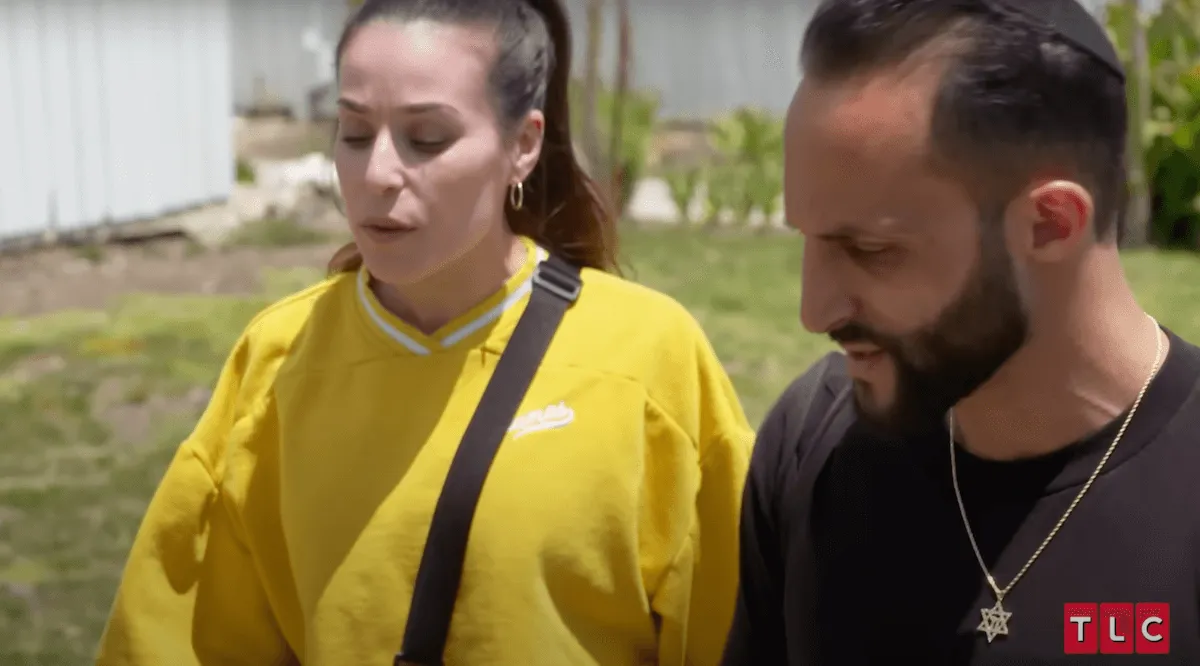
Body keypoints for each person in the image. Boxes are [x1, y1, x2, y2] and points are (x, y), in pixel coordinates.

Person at [95, 1, 754, 664]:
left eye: (427, 139)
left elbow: (737, 626)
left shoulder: (648, 356)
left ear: (522, 146)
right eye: (354, 134)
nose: (377, 173)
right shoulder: (277, 361)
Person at [722, 0, 1200, 664]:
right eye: (809, 239)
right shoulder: (812, 445)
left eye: (869, 249)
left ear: (1050, 225)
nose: (814, 310)